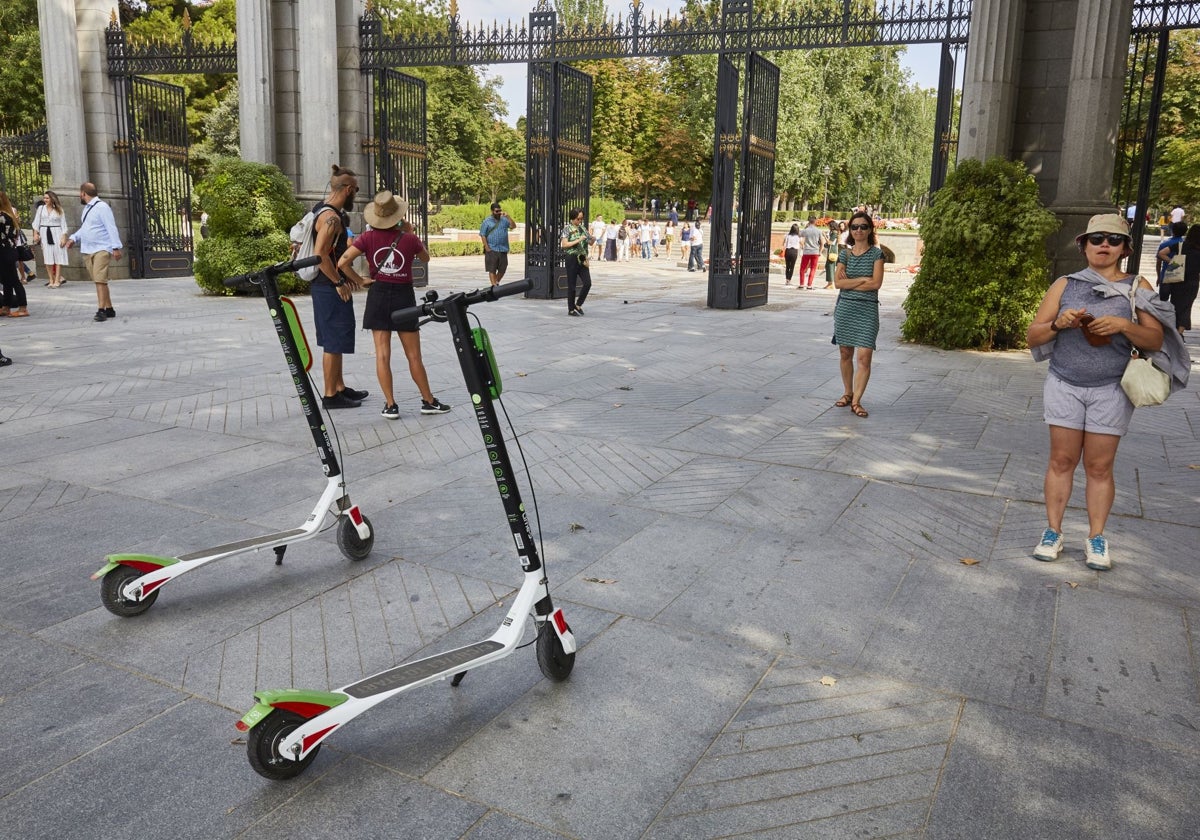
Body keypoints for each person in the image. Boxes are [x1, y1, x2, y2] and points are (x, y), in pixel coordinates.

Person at [1025, 214, 1191, 571]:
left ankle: (1096, 536)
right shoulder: (1064, 284)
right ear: (1083, 244)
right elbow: (1033, 336)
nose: (1104, 245)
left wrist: (1123, 325)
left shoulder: (1138, 285)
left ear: (1124, 249)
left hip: (1111, 389)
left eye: (1113, 240)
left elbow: (1155, 339)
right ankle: (1053, 531)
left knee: (1099, 467)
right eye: (1097, 238)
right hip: (1064, 383)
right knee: (1061, 461)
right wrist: (1059, 323)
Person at [338, 190, 450, 418]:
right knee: (414, 355)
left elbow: (343, 262)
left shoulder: (367, 238)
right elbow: (426, 258)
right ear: (397, 215)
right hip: (403, 295)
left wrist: (360, 280)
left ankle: (390, 405)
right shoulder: (409, 238)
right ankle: (428, 401)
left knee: (382, 354)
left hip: (378, 294)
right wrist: (409, 232)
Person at [308, 165, 369, 409]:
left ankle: (340, 387)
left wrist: (358, 279)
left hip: (326, 286)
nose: (356, 193)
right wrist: (339, 282)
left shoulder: (324, 210)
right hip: (328, 287)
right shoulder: (331, 218)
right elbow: (320, 255)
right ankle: (331, 395)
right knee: (333, 343)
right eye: (355, 189)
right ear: (346, 189)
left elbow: (337, 257)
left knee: (335, 341)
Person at [832, 211, 884, 418]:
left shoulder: (877, 254)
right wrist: (863, 279)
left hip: (867, 310)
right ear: (850, 230)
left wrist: (852, 282)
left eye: (863, 226)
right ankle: (847, 392)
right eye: (855, 227)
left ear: (870, 229)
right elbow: (838, 283)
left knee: (864, 357)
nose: (859, 230)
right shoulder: (844, 254)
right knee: (845, 353)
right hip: (845, 309)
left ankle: (856, 401)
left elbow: (876, 283)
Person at [64, 182, 122, 322]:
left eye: (80, 193)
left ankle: (101, 310)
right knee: (99, 280)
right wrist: (73, 238)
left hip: (101, 248)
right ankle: (109, 308)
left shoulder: (102, 207)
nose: (80, 196)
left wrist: (115, 247)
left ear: (83, 193)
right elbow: (85, 228)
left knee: (99, 280)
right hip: (88, 249)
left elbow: (111, 227)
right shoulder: (87, 209)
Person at [1160, 223, 1200, 337]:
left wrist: (1173, 262)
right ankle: (1180, 332)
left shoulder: (1181, 245)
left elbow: (1161, 253)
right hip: (1193, 281)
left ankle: (1173, 329)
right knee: (1187, 306)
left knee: (1175, 304)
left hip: (1177, 279)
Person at [0, 191, 29, 317]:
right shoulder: (8, 215)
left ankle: (23, 307)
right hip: (6, 251)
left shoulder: (3, 216)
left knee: (13, 280)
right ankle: (6, 306)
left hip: (5, 251)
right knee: (5, 280)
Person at [33, 191, 69, 288]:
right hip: (44, 232)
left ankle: (57, 280)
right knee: (47, 256)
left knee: (58, 256)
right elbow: (36, 222)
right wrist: (35, 234)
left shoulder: (59, 209)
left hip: (57, 232)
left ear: (52, 199)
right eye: (44, 198)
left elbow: (63, 224)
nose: (45, 200)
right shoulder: (40, 209)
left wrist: (64, 237)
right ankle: (51, 280)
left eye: (47, 198)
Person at [560, 207, 592, 316]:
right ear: (573, 218)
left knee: (587, 283)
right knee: (572, 285)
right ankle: (571, 309)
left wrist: (592, 238)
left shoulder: (583, 228)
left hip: (582, 258)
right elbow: (564, 245)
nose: (580, 221)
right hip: (572, 258)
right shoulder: (567, 229)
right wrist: (578, 240)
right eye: (578, 219)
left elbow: (590, 242)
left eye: (581, 219)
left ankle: (578, 304)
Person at [480, 202, 513, 286]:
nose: (498, 213)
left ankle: (496, 282)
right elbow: (483, 234)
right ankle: (494, 285)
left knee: (503, 268)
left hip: (503, 248)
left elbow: (513, 226)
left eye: (499, 211)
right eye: (496, 211)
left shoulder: (504, 220)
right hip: (492, 248)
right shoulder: (487, 222)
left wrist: (508, 216)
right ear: (492, 211)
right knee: (492, 269)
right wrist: (486, 247)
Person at [798, 216, 825, 290]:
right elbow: (822, 243)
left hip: (806, 251)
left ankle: (801, 284)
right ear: (815, 221)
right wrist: (820, 251)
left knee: (802, 268)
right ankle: (809, 285)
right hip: (815, 251)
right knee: (813, 269)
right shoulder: (819, 231)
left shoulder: (806, 230)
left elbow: (799, 234)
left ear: (809, 221)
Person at [823, 219, 841, 289]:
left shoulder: (834, 233)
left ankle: (831, 283)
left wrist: (825, 236)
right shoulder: (833, 232)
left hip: (832, 251)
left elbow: (830, 242)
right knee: (828, 266)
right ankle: (829, 282)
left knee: (830, 267)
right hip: (831, 250)